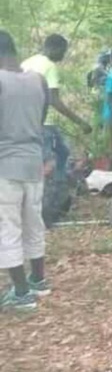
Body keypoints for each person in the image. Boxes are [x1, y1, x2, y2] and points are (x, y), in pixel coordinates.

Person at [0, 29, 51, 311]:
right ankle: (38, 280)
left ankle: (21, 293)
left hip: (5, 165)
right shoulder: (38, 80)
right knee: (34, 221)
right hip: (34, 161)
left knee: (8, 226)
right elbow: (41, 119)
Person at [22, 33, 92, 177]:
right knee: (49, 161)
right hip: (44, 122)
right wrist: (80, 122)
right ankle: (50, 186)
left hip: (25, 119)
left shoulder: (27, 62)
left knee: (63, 152)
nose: (63, 55)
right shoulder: (50, 66)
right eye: (63, 51)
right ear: (55, 48)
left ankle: (59, 183)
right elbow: (54, 100)